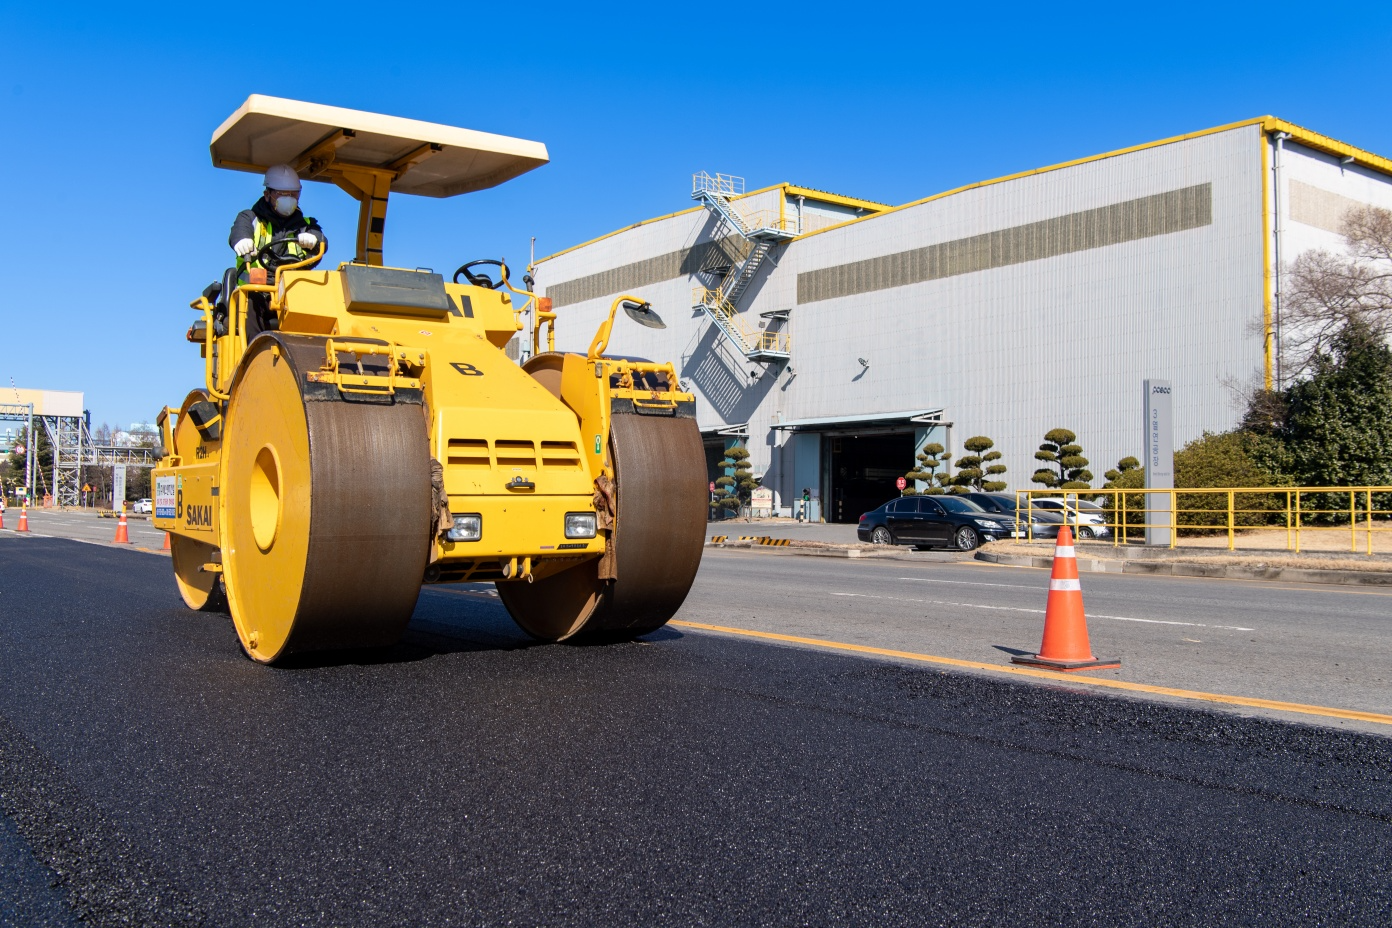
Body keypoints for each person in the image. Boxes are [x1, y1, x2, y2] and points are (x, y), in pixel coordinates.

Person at [228, 164, 327, 337]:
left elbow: (321, 240)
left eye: (294, 194)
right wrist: (242, 240)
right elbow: (239, 230)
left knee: (319, 304)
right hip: (258, 291)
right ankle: (254, 355)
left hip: (291, 291)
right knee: (251, 303)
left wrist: (315, 240)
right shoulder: (251, 218)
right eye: (283, 194)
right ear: (268, 195)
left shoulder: (306, 225)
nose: (289, 198)